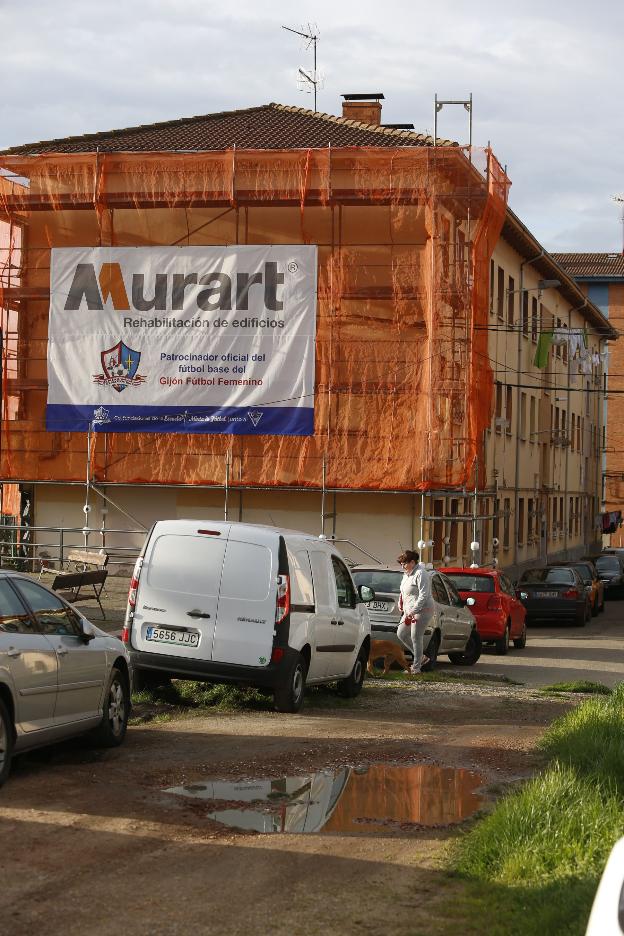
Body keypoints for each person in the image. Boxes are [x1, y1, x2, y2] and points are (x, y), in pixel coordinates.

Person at [396, 550, 435, 675]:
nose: (402, 566)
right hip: (409, 610)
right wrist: (400, 602)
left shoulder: (421, 573)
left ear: (413, 562)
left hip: (423, 609)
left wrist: (414, 610)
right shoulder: (406, 574)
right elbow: (403, 591)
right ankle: (421, 657)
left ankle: (416, 668)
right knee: (401, 633)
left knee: (415, 636)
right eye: (401, 564)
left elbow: (424, 595)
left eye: (404, 563)